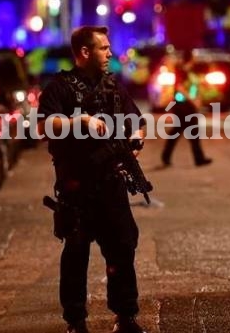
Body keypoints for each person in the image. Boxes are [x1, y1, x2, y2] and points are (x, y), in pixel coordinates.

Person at [37, 26, 148, 333]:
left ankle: (126, 316)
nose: (110, 53)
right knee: (76, 253)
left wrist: (135, 141)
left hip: (111, 184)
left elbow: (136, 121)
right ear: (84, 52)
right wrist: (79, 121)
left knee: (123, 247)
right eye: (103, 48)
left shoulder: (113, 87)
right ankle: (75, 321)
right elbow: (44, 126)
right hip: (76, 186)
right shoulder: (59, 87)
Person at [161, 51, 212, 167]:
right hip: (182, 105)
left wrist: (197, 99)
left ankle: (167, 156)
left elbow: (194, 87)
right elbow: (180, 88)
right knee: (185, 131)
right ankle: (198, 158)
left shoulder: (190, 71)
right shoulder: (181, 71)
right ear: (190, 59)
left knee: (185, 131)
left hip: (188, 106)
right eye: (194, 57)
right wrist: (192, 100)